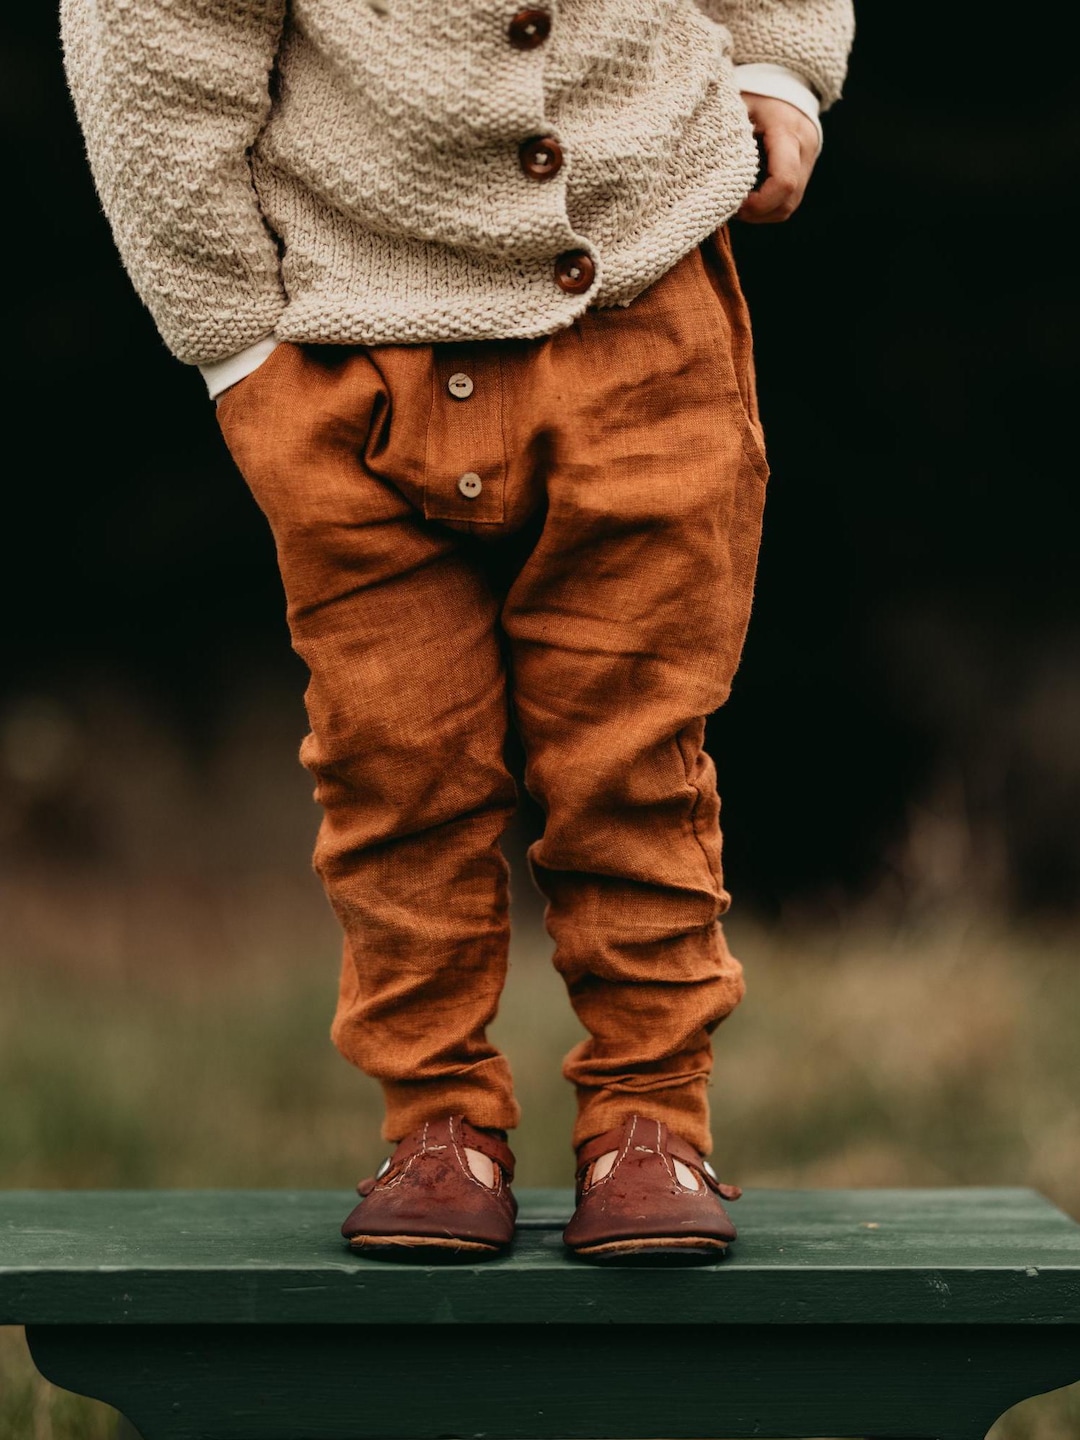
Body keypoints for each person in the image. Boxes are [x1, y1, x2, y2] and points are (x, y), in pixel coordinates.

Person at [61, 0, 854, 1264]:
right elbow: (154, 44)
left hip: (647, 320)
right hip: (348, 353)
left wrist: (777, 64)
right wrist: (232, 347)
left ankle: (652, 1118)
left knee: (635, 755)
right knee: (399, 764)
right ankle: (438, 1123)